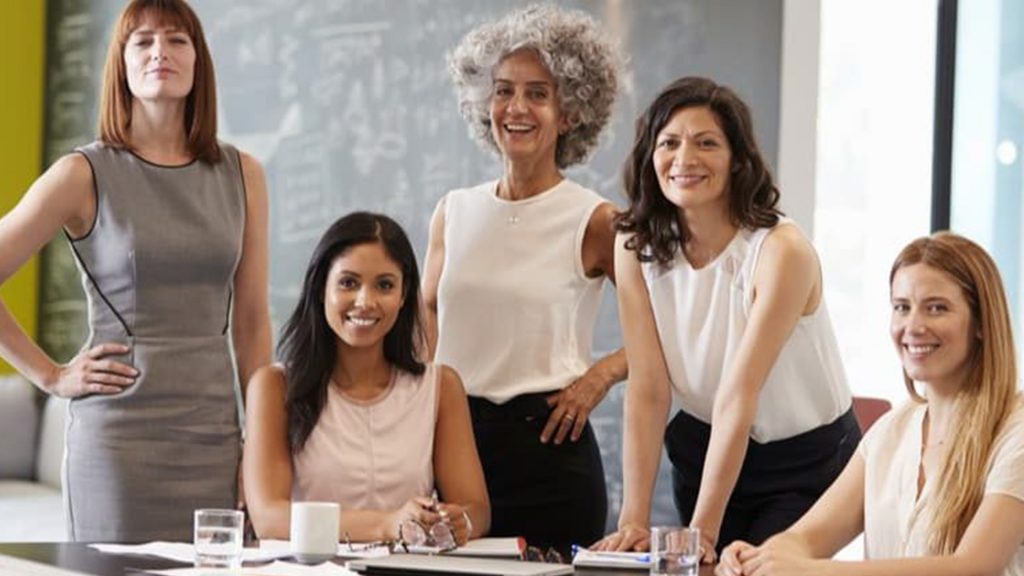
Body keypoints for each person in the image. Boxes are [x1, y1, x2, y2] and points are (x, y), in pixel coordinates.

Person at [0, 0, 272, 542]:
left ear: (199, 61)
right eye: (142, 41)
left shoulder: (244, 174)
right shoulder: (82, 173)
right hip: (116, 445)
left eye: (177, 40)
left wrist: (261, 446)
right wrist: (51, 376)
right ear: (120, 63)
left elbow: (252, 325)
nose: (159, 53)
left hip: (214, 439)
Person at [595, 77, 859, 560]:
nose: (684, 159)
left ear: (738, 159)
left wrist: (704, 536)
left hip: (805, 459)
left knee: (752, 568)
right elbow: (650, 387)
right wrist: (632, 519)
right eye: (669, 143)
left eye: (706, 143)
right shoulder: (635, 244)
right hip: (704, 446)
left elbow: (740, 395)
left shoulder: (782, 251)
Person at [421, 4, 625, 553]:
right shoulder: (452, 210)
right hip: (453, 449)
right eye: (504, 90)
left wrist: (598, 377)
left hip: (550, 456)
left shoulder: (596, 219)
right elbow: (426, 318)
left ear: (571, 112)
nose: (516, 107)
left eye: (538, 93)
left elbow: (665, 332)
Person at [716, 232, 1024, 576]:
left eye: (937, 308)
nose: (914, 326)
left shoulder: (1016, 431)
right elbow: (803, 539)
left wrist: (809, 571)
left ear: (981, 323)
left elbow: (973, 567)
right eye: (902, 308)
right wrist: (760, 557)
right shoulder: (891, 431)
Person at [244, 212, 489, 546]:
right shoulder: (273, 386)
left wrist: (459, 522)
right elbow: (269, 518)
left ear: (403, 296)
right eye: (348, 282)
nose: (365, 301)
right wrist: (387, 524)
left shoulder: (440, 387)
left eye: (385, 285)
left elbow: (476, 509)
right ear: (321, 288)